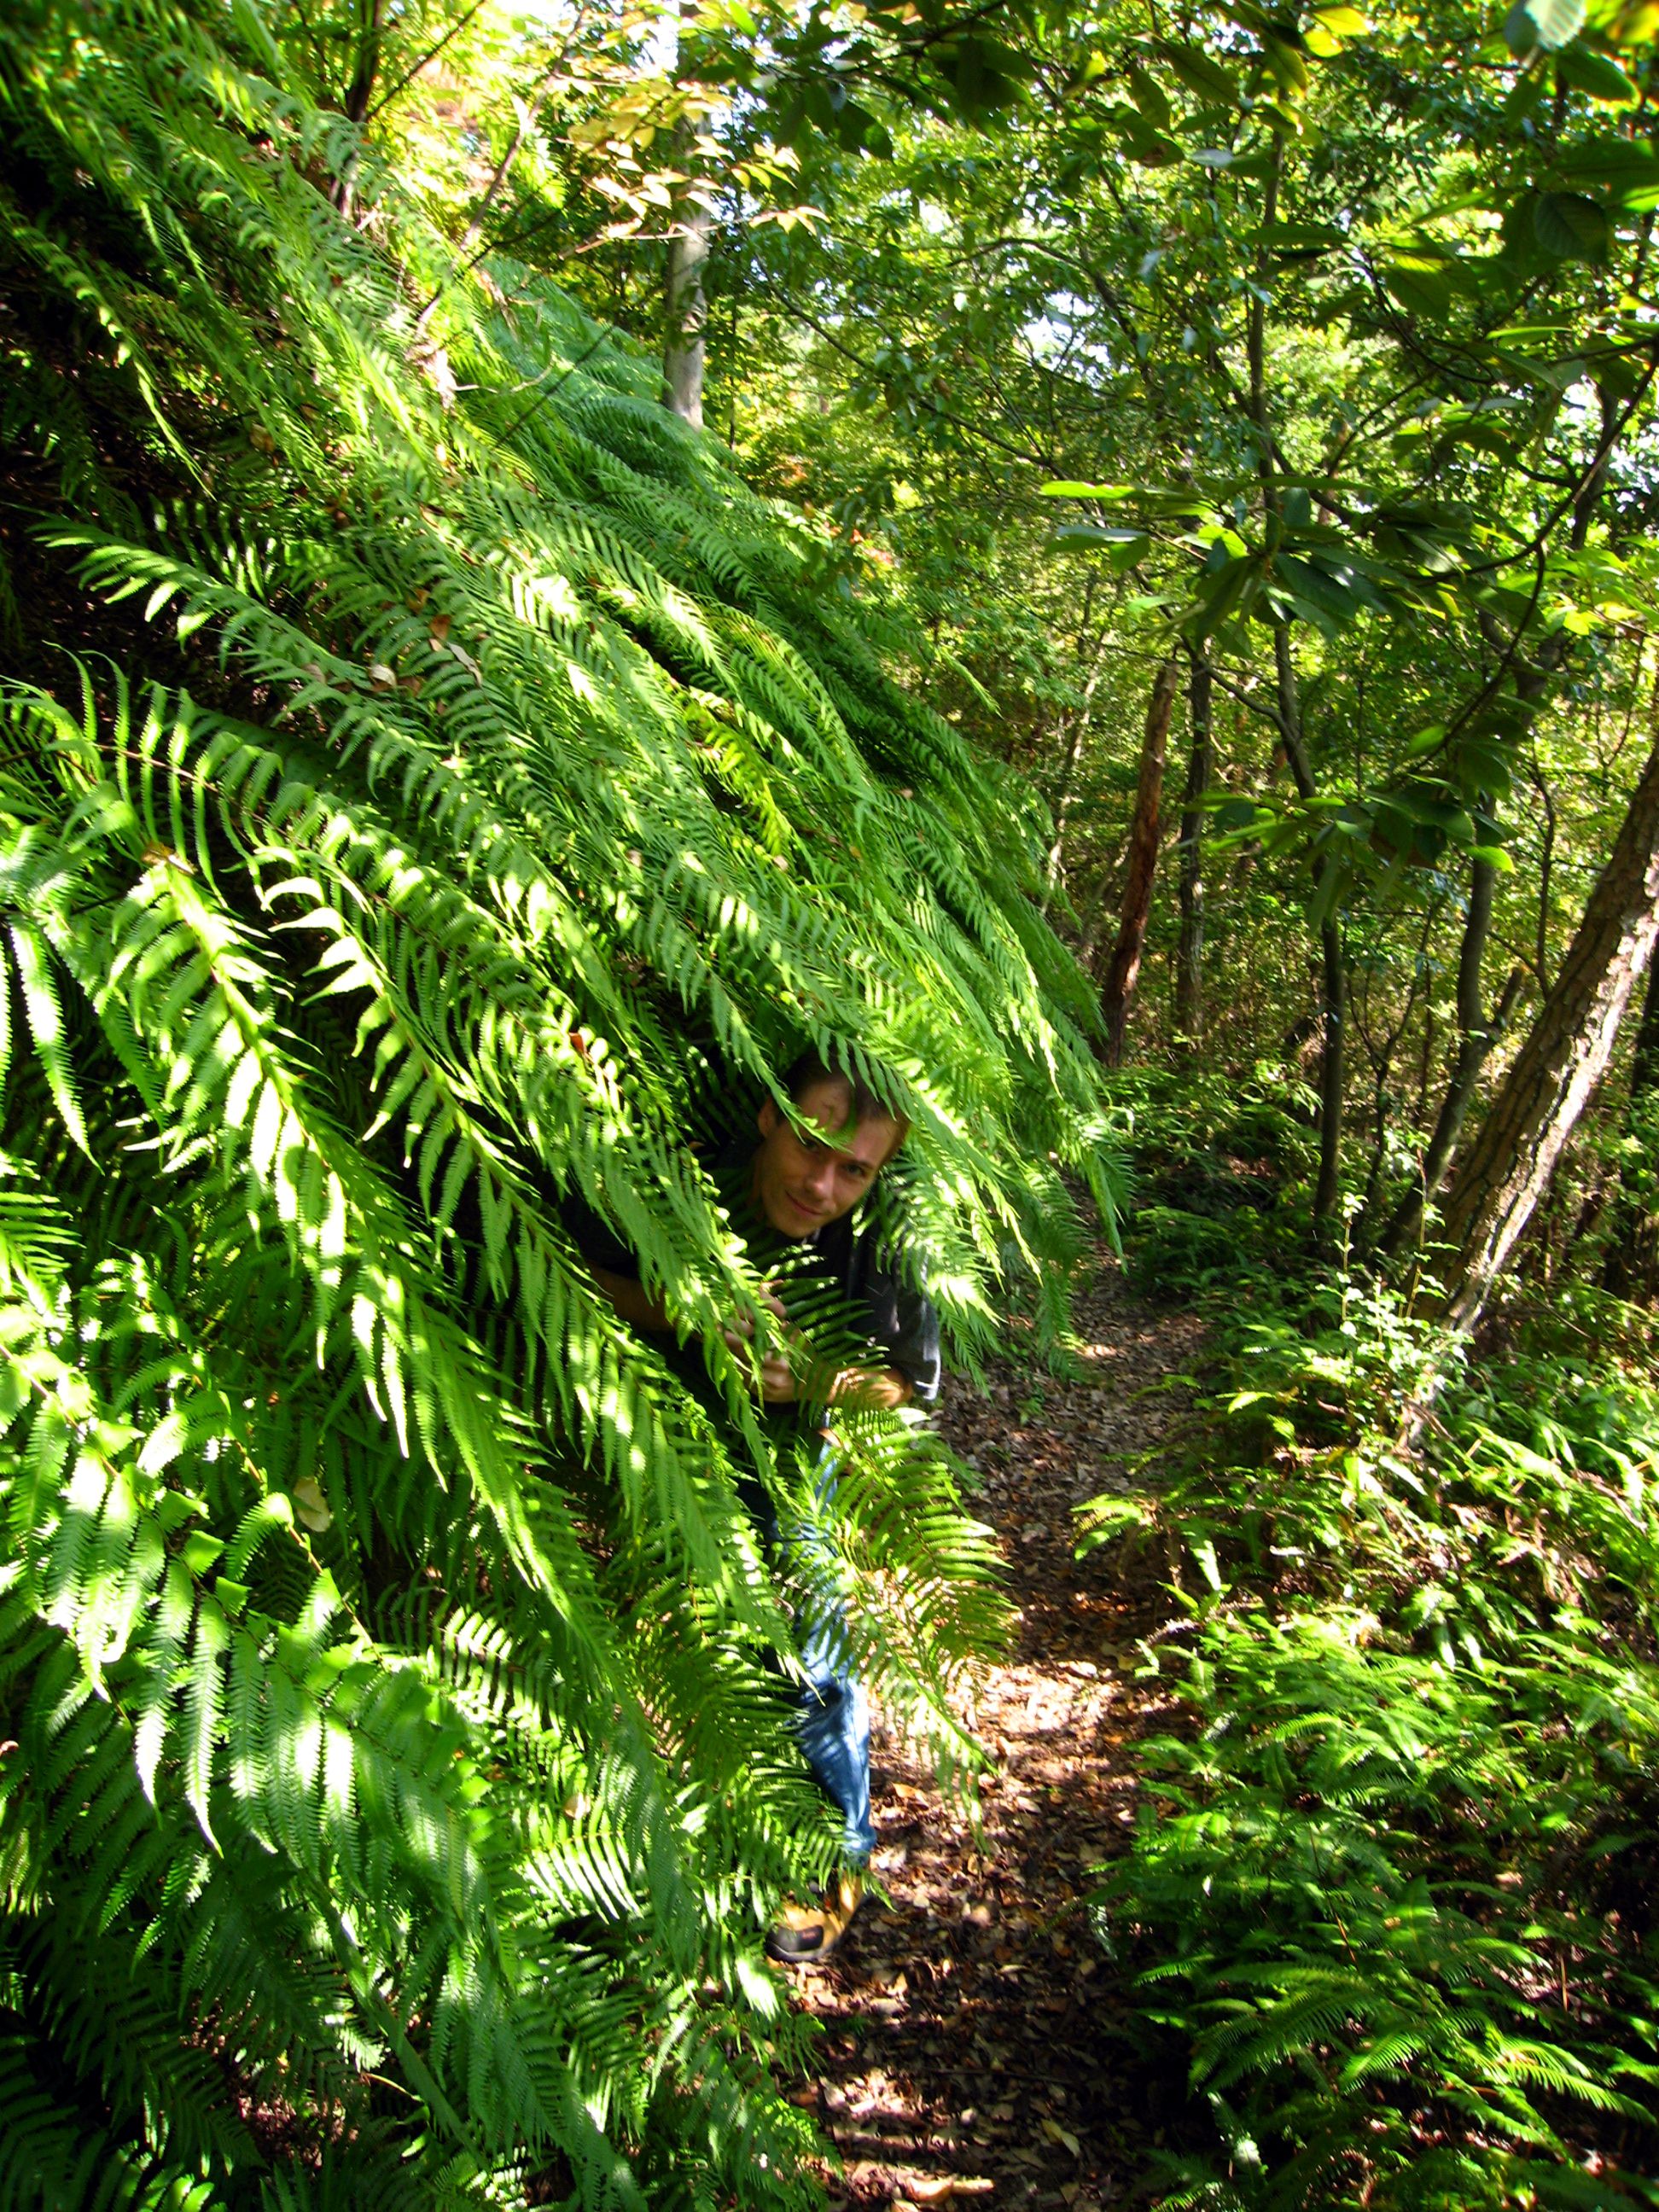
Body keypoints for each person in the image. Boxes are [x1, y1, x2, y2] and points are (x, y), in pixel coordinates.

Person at [576, 1051, 940, 1962]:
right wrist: (680, 1311)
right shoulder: (682, 1181)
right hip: (657, 1436)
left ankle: (832, 1859)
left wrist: (812, 1379)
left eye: (854, 1170)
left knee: (813, 1654)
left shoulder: (892, 1237)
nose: (822, 1187)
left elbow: (910, 1380)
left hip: (792, 1457)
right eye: (811, 1145)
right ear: (772, 1116)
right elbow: (573, 1270)